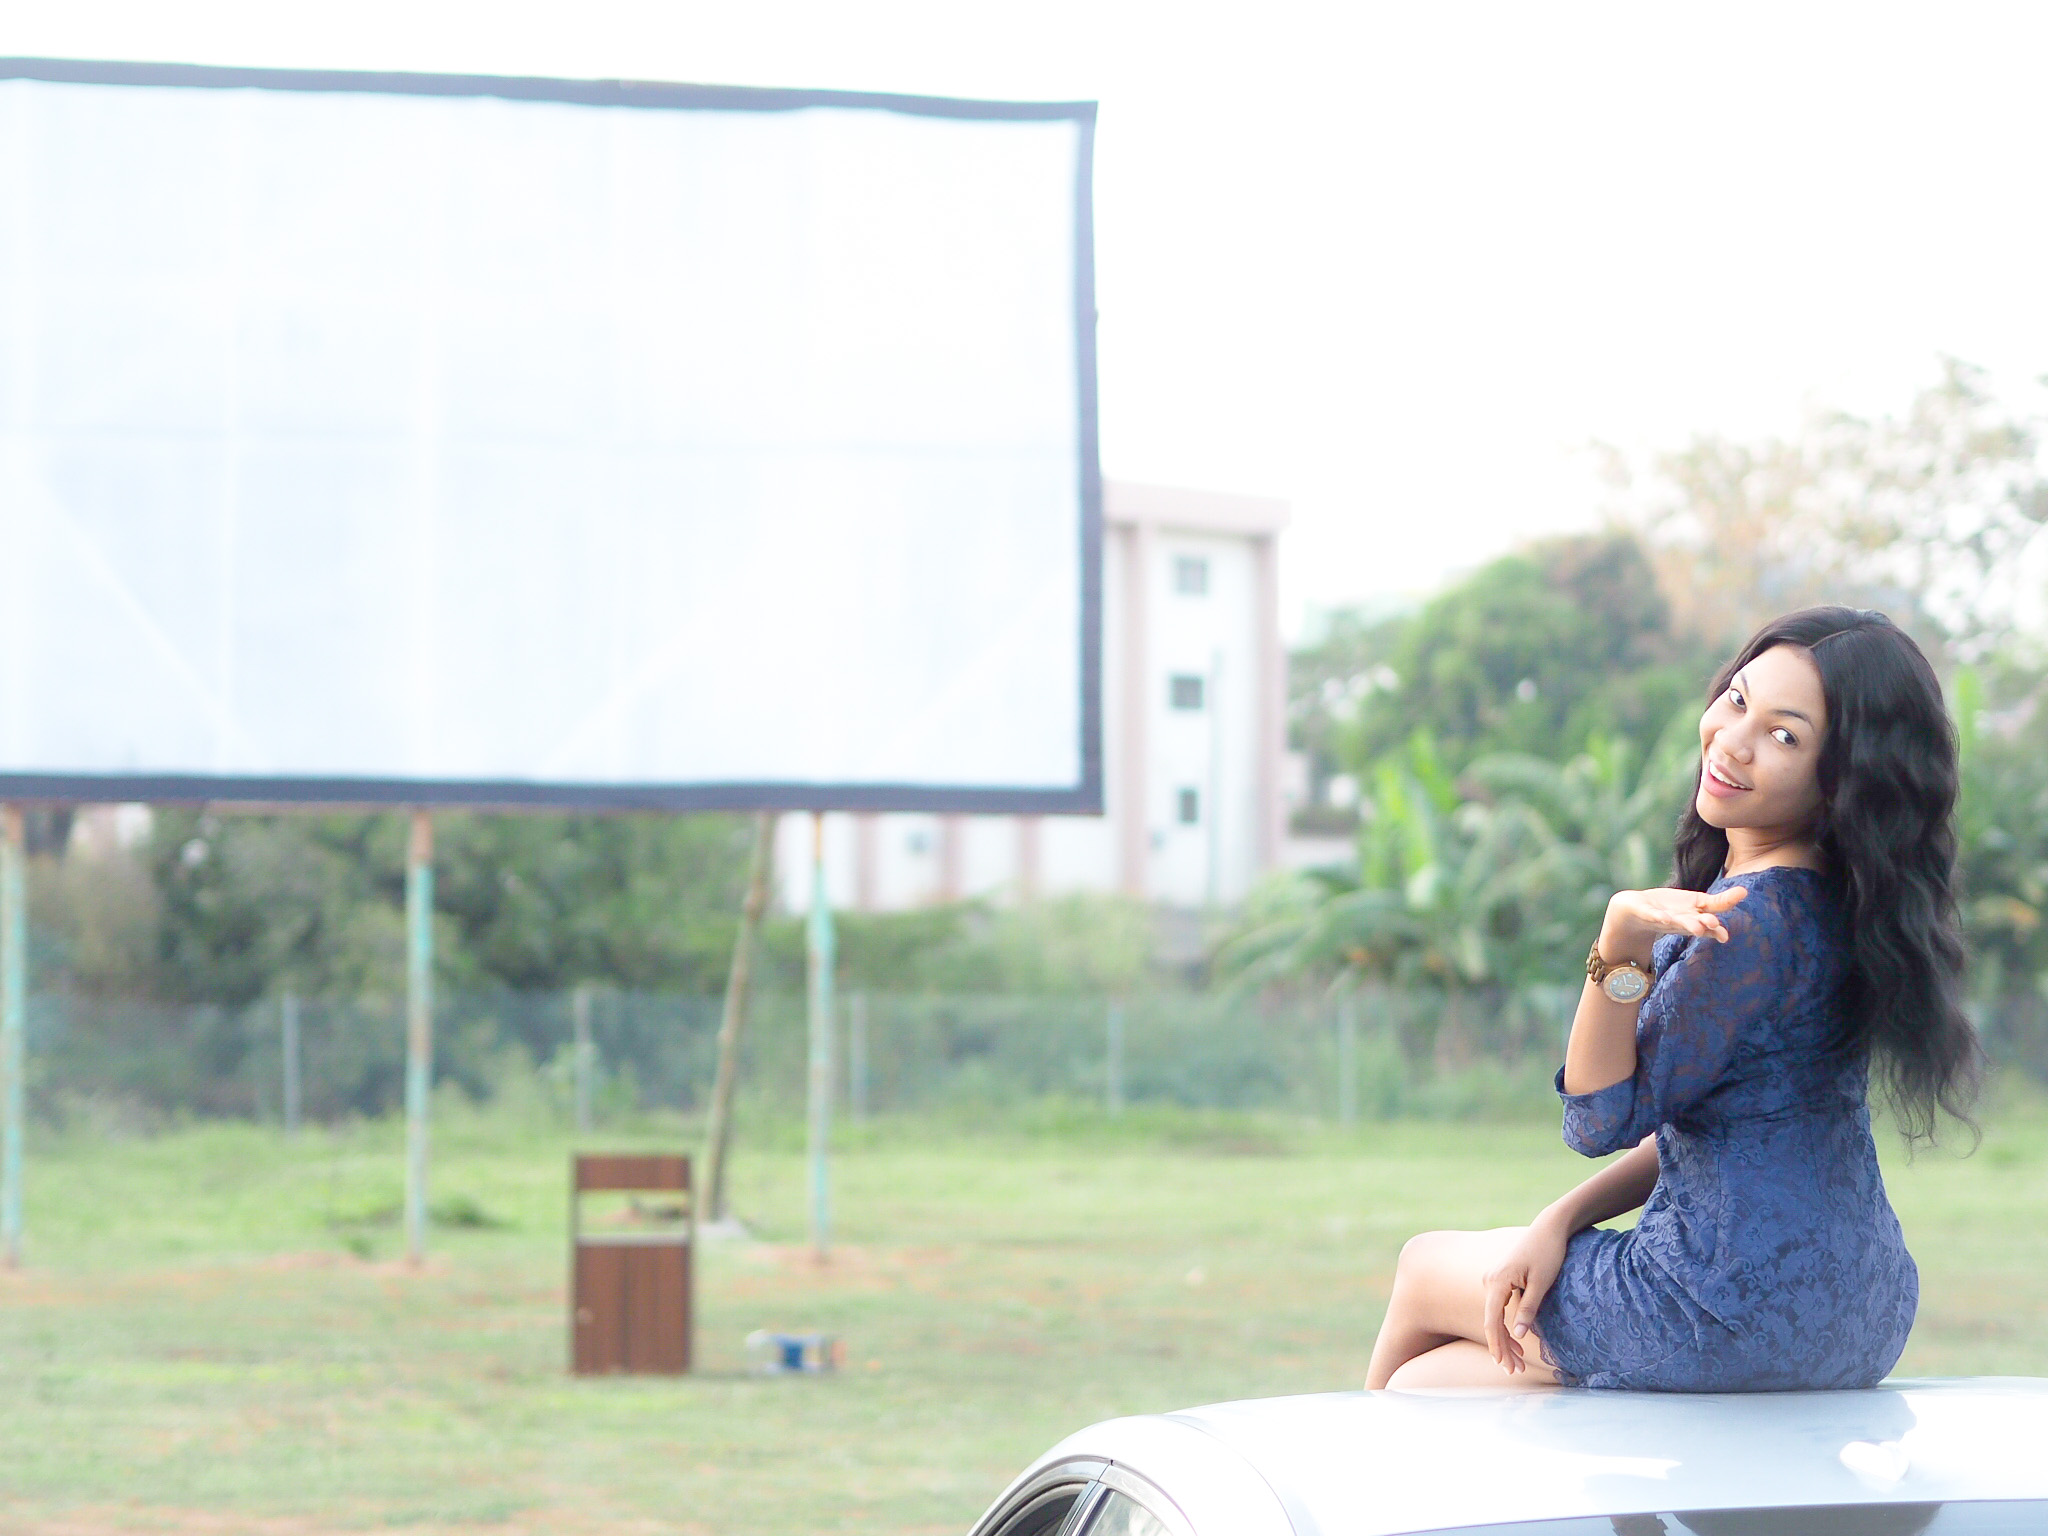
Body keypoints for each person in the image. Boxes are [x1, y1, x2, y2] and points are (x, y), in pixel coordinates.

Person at [1363, 607, 1981, 1392]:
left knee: (1423, 1270)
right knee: (1435, 1381)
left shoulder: (1745, 923)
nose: (1732, 740)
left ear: (1841, 780)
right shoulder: (1846, 905)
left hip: (1718, 1305)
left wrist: (1618, 943)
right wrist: (1558, 1220)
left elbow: (1598, 1118)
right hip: (1861, 1309)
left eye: (1784, 735)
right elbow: (1730, 1121)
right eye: (1735, 699)